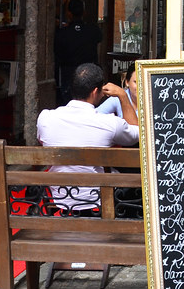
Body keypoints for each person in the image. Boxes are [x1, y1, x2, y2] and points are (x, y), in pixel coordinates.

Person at [36, 63, 139, 213]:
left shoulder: (45, 118)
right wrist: (123, 96)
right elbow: (136, 134)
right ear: (96, 91)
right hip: (97, 200)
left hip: (61, 198)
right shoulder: (109, 123)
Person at [54, 0, 103, 106]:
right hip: (90, 72)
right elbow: (99, 38)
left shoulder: (62, 33)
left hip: (68, 74)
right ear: (84, 12)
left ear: (69, 13)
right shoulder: (93, 30)